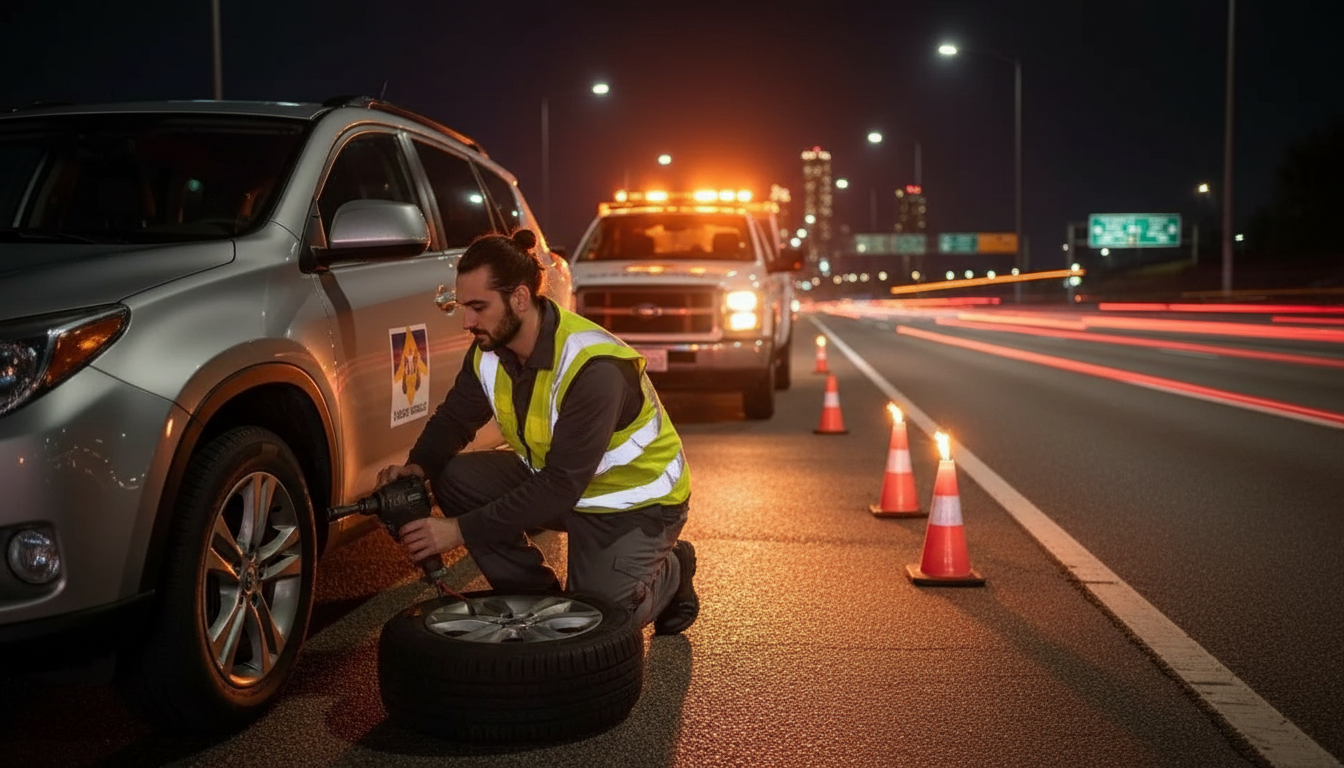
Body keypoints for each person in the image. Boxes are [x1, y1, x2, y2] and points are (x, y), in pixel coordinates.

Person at [376, 229, 698, 634]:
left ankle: (671, 572)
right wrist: (417, 468)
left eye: (478, 306)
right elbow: (455, 420)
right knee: (455, 477)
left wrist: (455, 531)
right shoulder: (490, 350)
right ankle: (538, 598)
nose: (466, 322)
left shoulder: (593, 368)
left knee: (602, 623)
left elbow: (561, 484)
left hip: (632, 506)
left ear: (520, 298)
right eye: (462, 306)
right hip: (561, 486)